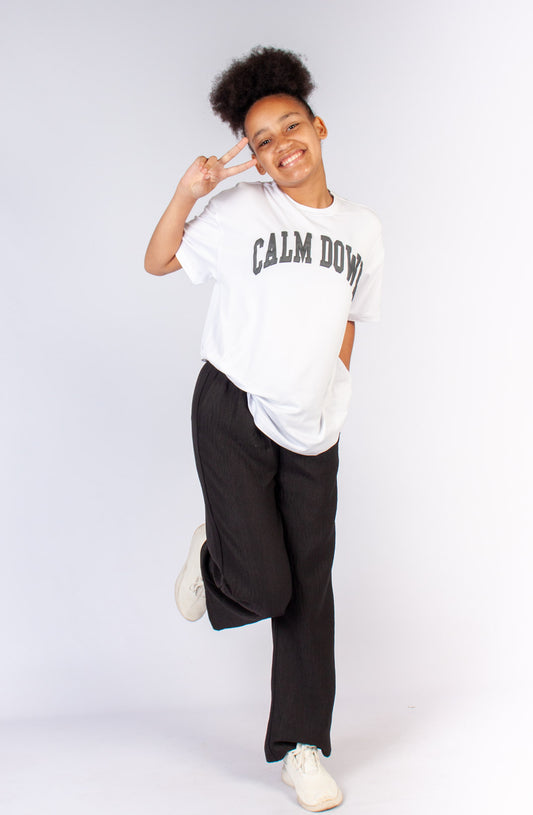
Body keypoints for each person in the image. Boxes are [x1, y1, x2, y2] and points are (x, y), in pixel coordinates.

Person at [144, 46, 384, 813]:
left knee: (309, 586)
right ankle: (216, 554)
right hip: (234, 406)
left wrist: (332, 387)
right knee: (264, 585)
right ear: (251, 156)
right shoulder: (243, 210)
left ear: (319, 127)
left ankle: (302, 746)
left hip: (314, 424)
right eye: (261, 140)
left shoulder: (362, 229)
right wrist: (189, 191)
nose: (281, 145)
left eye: (289, 127)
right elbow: (157, 260)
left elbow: (350, 317)